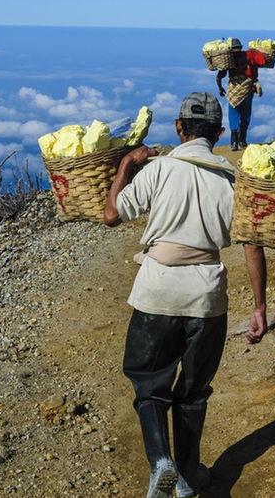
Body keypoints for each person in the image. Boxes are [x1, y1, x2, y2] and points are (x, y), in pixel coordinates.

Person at [104, 92, 234, 498]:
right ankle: (190, 472)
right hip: (207, 296)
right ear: (219, 132)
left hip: (158, 290)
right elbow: (253, 240)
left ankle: (162, 463)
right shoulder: (232, 178)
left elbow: (111, 215)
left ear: (179, 128)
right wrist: (261, 306)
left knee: (149, 382)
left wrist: (126, 165)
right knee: (194, 389)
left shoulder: (158, 169)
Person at [216, 38, 266, 151]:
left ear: (230, 49)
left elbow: (219, 77)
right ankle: (242, 141)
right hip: (248, 89)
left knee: (233, 115)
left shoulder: (228, 59)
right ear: (241, 47)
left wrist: (220, 88)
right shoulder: (251, 54)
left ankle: (234, 142)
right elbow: (263, 60)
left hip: (234, 90)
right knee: (245, 115)